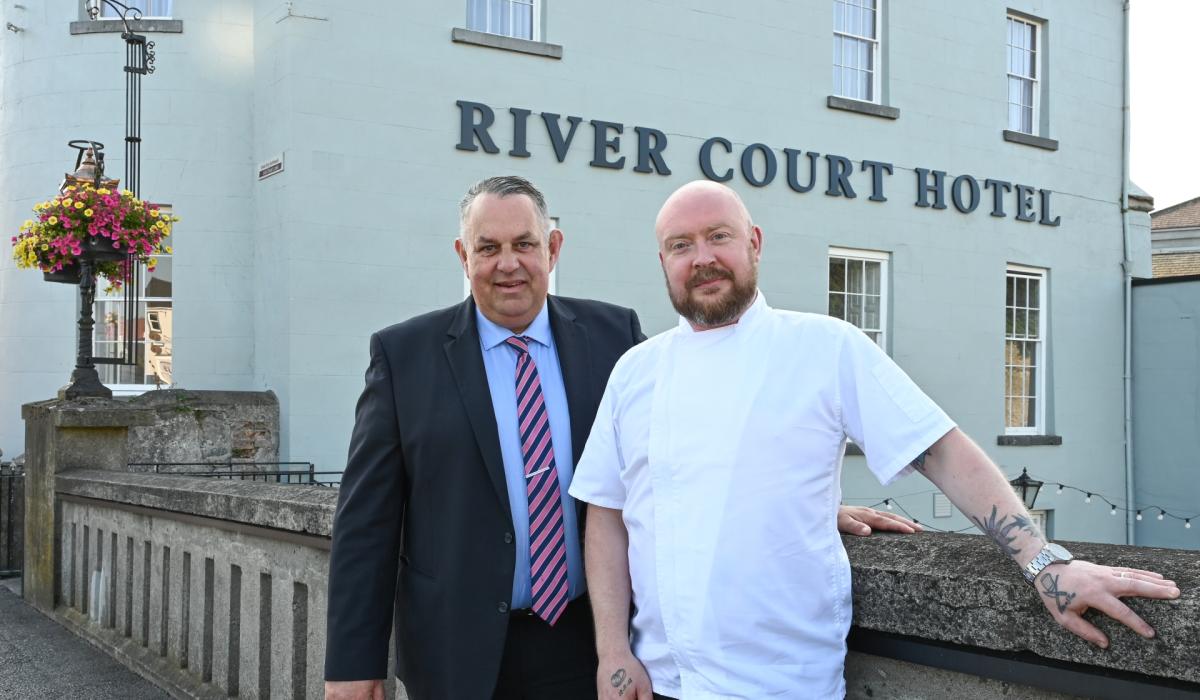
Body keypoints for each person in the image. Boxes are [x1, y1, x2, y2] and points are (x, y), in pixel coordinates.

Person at [570, 180, 1183, 700]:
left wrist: (1045, 564)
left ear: (754, 243)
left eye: (718, 236)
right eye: (681, 245)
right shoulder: (635, 372)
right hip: (662, 683)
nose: (702, 257)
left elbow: (942, 452)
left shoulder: (824, 348)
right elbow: (608, 512)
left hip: (784, 685)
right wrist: (612, 653)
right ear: (663, 261)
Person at [323, 176, 908, 700]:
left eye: (525, 244)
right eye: (488, 248)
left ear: (553, 248)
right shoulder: (404, 356)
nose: (508, 264)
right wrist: (352, 665)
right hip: (455, 650)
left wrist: (800, 502)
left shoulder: (614, 337)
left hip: (587, 646)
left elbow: (680, 451)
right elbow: (367, 522)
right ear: (462, 255)